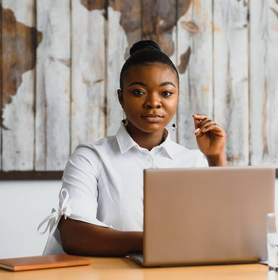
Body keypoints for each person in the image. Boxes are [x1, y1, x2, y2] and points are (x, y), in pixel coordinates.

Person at [38, 40, 227, 257]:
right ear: (121, 98)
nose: (153, 103)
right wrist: (160, 241)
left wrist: (215, 158)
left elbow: (226, 232)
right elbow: (75, 235)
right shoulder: (91, 158)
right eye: (138, 92)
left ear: (177, 98)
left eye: (166, 93)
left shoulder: (194, 161)